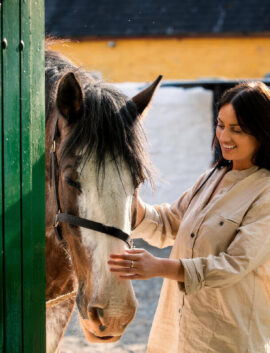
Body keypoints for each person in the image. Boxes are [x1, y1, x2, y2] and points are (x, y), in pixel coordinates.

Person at [108, 81, 270, 353]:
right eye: (220, 125)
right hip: (176, 335)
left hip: (228, 340)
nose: (224, 137)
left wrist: (159, 268)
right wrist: (127, 195)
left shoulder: (265, 192)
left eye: (237, 130)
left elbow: (234, 264)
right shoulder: (212, 177)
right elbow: (169, 223)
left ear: (263, 133)